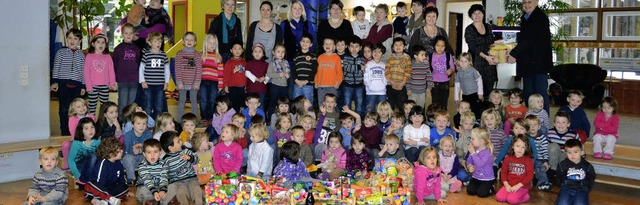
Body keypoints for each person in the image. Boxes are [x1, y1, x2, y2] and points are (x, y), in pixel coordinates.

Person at [508, 0, 553, 113]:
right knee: (529, 94)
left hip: (539, 63)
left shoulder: (540, 17)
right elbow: (524, 40)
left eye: (530, 2)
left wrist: (514, 54)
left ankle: (543, 123)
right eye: (524, 2)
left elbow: (529, 40)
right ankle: (531, 122)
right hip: (528, 63)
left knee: (540, 96)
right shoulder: (525, 17)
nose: (526, 5)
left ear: (536, 2)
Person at [51, 28, 85, 136]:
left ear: (79, 41)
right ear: (66, 39)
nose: (72, 41)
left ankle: (75, 131)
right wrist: (55, 82)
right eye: (70, 38)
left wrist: (83, 85)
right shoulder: (61, 52)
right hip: (63, 85)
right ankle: (64, 131)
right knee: (64, 109)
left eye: (75, 38)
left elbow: (84, 71)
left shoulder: (81, 55)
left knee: (76, 109)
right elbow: (56, 67)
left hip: (76, 85)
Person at [160, 131, 203, 205]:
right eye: (178, 141)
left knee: (197, 190)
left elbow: (197, 160)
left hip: (192, 179)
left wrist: (190, 158)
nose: (181, 142)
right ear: (170, 148)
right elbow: (163, 175)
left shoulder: (185, 151)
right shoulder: (166, 160)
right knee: (181, 193)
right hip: (178, 183)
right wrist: (163, 189)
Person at [465, 4, 497, 99]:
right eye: (474, 13)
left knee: (489, 91)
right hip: (476, 62)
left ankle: (488, 112)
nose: (477, 15)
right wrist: (486, 57)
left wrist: (496, 54)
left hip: (489, 63)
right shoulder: (469, 29)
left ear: (483, 14)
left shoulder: (488, 27)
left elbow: (492, 43)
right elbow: (473, 47)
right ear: (471, 16)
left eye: (479, 13)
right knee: (476, 91)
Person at [84, 138, 128, 205]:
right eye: (119, 151)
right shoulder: (103, 163)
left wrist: (125, 191)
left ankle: (101, 201)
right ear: (111, 154)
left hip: (109, 189)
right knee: (91, 185)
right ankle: (109, 198)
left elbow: (122, 179)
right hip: (98, 188)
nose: (122, 151)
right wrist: (104, 192)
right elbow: (99, 182)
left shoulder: (119, 163)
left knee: (124, 188)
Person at [495, 134, 534, 204]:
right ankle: (512, 195)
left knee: (511, 200)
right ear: (513, 146)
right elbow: (503, 172)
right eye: (518, 146)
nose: (520, 149)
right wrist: (506, 185)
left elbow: (529, 176)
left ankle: (525, 196)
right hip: (509, 185)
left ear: (527, 148)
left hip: (522, 186)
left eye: (523, 147)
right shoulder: (507, 158)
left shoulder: (528, 160)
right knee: (499, 197)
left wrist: (518, 186)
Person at [556, 139, 596, 205]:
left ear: (582, 152)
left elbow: (591, 177)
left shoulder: (587, 166)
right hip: (566, 188)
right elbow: (559, 177)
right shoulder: (562, 165)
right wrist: (562, 185)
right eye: (569, 152)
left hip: (581, 189)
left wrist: (586, 188)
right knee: (562, 203)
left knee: (580, 203)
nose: (572, 155)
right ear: (566, 153)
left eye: (575, 152)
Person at [139, 32, 169, 119]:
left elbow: (166, 69)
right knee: (148, 106)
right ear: (150, 43)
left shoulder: (163, 55)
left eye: (160, 42)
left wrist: (166, 82)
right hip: (148, 85)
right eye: (155, 41)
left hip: (159, 85)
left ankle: (157, 122)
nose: (158, 44)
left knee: (159, 106)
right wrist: (142, 81)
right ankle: (148, 123)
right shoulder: (147, 55)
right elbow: (141, 68)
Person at [113, 23, 142, 114]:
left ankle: (130, 123)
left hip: (134, 80)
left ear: (133, 34)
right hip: (122, 80)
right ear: (122, 34)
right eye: (126, 33)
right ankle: (121, 122)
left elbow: (138, 62)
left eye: (130, 33)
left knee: (131, 104)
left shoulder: (137, 49)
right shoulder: (118, 49)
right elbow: (114, 64)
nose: (128, 35)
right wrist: (113, 79)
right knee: (123, 102)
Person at [136, 139, 174, 205]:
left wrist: (162, 190)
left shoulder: (163, 164)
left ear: (160, 152)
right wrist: (155, 192)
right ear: (144, 154)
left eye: (155, 152)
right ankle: (152, 201)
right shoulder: (142, 166)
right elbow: (147, 181)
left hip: (159, 187)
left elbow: (164, 178)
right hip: (146, 187)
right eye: (149, 152)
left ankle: (162, 200)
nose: (152, 155)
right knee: (143, 191)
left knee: (172, 186)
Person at [84, 34, 115, 115]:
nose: (101, 44)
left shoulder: (108, 57)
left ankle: (102, 124)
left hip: (104, 85)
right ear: (93, 44)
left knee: (104, 106)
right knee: (92, 106)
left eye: (103, 42)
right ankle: (91, 123)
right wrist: (88, 85)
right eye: (98, 42)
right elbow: (86, 72)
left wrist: (112, 83)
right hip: (93, 86)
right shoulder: (89, 56)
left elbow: (111, 71)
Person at [175, 32, 202, 121]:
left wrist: (197, 83)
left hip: (194, 83)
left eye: (192, 40)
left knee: (194, 101)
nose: (189, 41)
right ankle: (179, 121)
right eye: (187, 39)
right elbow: (177, 69)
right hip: (182, 83)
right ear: (183, 41)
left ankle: (194, 120)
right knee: (181, 101)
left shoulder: (197, 55)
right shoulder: (179, 54)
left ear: (195, 42)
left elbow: (199, 70)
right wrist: (179, 82)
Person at [62, 99, 96, 169]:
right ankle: (67, 163)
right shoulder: (73, 118)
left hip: (90, 141)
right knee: (65, 144)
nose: (82, 108)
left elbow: (94, 129)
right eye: (79, 107)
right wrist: (81, 140)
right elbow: (73, 132)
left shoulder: (91, 117)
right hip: (77, 141)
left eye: (83, 105)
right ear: (74, 110)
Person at [68, 118, 101, 187]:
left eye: (92, 127)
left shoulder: (97, 141)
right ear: (81, 131)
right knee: (93, 156)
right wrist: (77, 176)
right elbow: (70, 160)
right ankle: (84, 180)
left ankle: (93, 181)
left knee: (98, 158)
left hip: (91, 167)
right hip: (80, 167)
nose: (90, 130)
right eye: (86, 128)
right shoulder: (77, 143)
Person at [200, 34, 225, 125]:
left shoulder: (218, 57)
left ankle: (211, 117)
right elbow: (198, 70)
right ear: (205, 44)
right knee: (203, 100)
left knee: (212, 100)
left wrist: (220, 85)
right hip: (203, 82)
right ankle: (204, 117)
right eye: (210, 43)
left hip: (214, 82)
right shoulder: (201, 55)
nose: (212, 45)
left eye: (214, 43)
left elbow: (221, 72)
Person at [123, 112, 153, 184]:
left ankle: (148, 177)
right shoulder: (128, 135)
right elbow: (126, 150)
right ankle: (131, 178)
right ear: (132, 125)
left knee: (151, 156)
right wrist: (133, 150)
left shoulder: (148, 134)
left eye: (144, 124)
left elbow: (150, 148)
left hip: (141, 158)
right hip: (130, 158)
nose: (141, 126)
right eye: (138, 123)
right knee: (128, 158)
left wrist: (140, 150)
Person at [466, 127, 495, 198]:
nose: (471, 141)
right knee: (470, 191)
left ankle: (491, 188)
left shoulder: (487, 152)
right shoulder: (474, 149)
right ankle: (480, 187)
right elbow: (469, 160)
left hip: (487, 178)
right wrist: (469, 166)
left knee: (481, 194)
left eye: (473, 139)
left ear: (481, 141)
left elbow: (480, 164)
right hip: (476, 177)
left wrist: (473, 153)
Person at [526, 115, 552, 191]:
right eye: (530, 125)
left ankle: (543, 183)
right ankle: (527, 182)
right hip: (528, 159)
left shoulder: (542, 138)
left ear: (539, 127)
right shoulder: (525, 138)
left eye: (535, 124)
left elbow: (545, 151)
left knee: (540, 169)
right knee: (526, 169)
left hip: (539, 159)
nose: (532, 127)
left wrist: (545, 161)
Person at [429, 36, 456, 110]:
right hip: (434, 83)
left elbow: (453, 67)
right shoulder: (430, 56)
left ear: (445, 47)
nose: (440, 48)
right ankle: (435, 118)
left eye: (442, 46)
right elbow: (428, 70)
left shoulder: (448, 55)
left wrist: (450, 70)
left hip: (445, 83)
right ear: (434, 45)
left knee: (444, 102)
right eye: (438, 45)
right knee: (435, 103)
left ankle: (444, 118)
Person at [315, 38, 343, 108]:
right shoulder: (320, 57)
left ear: (334, 47)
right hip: (321, 86)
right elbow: (317, 71)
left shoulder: (336, 57)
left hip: (332, 86)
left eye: (330, 44)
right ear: (323, 46)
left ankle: (332, 118)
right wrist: (316, 81)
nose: (328, 45)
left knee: (332, 106)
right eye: (326, 44)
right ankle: (321, 119)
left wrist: (338, 82)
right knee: (321, 105)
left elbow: (339, 72)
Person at [385, 37, 412, 111]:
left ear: (404, 47)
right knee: (390, 105)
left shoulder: (407, 57)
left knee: (402, 105)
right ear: (393, 47)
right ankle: (390, 121)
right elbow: (387, 71)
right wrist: (391, 82)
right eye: (396, 45)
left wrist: (403, 83)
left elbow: (408, 71)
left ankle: (402, 121)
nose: (398, 47)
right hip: (391, 85)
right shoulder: (390, 57)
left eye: (400, 45)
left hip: (402, 85)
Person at [342, 36, 366, 115]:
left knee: (359, 104)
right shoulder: (346, 58)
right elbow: (346, 68)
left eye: (356, 46)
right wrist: (358, 67)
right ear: (348, 47)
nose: (354, 49)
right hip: (347, 85)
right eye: (352, 46)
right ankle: (346, 120)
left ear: (360, 48)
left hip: (359, 85)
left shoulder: (362, 59)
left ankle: (358, 121)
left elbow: (363, 71)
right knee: (347, 104)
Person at [454, 53, 483, 118]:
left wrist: (480, 92)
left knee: (475, 109)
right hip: (465, 94)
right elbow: (457, 85)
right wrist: (456, 97)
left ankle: (476, 121)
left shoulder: (473, 70)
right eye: (461, 61)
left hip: (474, 94)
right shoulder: (458, 73)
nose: (463, 63)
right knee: (466, 109)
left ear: (469, 62)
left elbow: (479, 80)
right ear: (458, 62)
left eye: (465, 61)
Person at [267, 45, 292, 116]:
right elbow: (269, 74)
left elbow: (288, 73)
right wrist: (279, 75)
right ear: (273, 53)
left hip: (284, 86)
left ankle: (284, 118)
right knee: (273, 103)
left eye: (283, 52)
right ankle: (271, 119)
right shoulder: (272, 63)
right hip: (275, 86)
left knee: (284, 103)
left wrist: (288, 75)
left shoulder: (286, 62)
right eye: (278, 52)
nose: (281, 54)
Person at [292, 34, 318, 103]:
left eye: (307, 42)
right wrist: (296, 80)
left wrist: (306, 81)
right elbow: (293, 70)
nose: (305, 43)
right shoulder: (296, 56)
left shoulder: (313, 56)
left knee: (308, 102)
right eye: (303, 41)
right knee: (297, 102)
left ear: (311, 44)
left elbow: (314, 70)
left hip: (308, 84)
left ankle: (309, 114)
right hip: (297, 84)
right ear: (300, 42)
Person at [363, 43, 388, 113]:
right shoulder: (368, 64)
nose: (376, 53)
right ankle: (369, 123)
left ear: (382, 55)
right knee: (369, 108)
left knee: (383, 110)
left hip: (382, 92)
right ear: (372, 52)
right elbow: (366, 77)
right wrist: (369, 85)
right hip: (370, 92)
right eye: (374, 51)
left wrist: (384, 84)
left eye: (379, 52)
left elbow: (386, 76)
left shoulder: (384, 65)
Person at [224, 42, 247, 111]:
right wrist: (225, 85)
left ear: (242, 50)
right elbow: (226, 75)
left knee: (242, 103)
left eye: (239, 49)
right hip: (232, 87)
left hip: (242, 87)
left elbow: (247, 75)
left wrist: (246, 85)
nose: (237, 51)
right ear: (231, 50)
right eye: (235, 49)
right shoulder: (229, 62)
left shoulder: (244, 62)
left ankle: (241, 117)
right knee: (234, 104)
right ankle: (234, 118)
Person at [246, 44, 269, 111]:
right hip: (251, 88)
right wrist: (255, 78)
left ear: (263, 54)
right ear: (252, 53)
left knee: (261, 105)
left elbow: (269, 74)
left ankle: (262, 120)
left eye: (260, 51)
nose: (257, 53)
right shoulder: (249, 63)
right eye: (255, 51)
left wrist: (264, 78)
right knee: (250, 106)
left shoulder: (266, 64)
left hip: (261, 89)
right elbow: (247, 73)